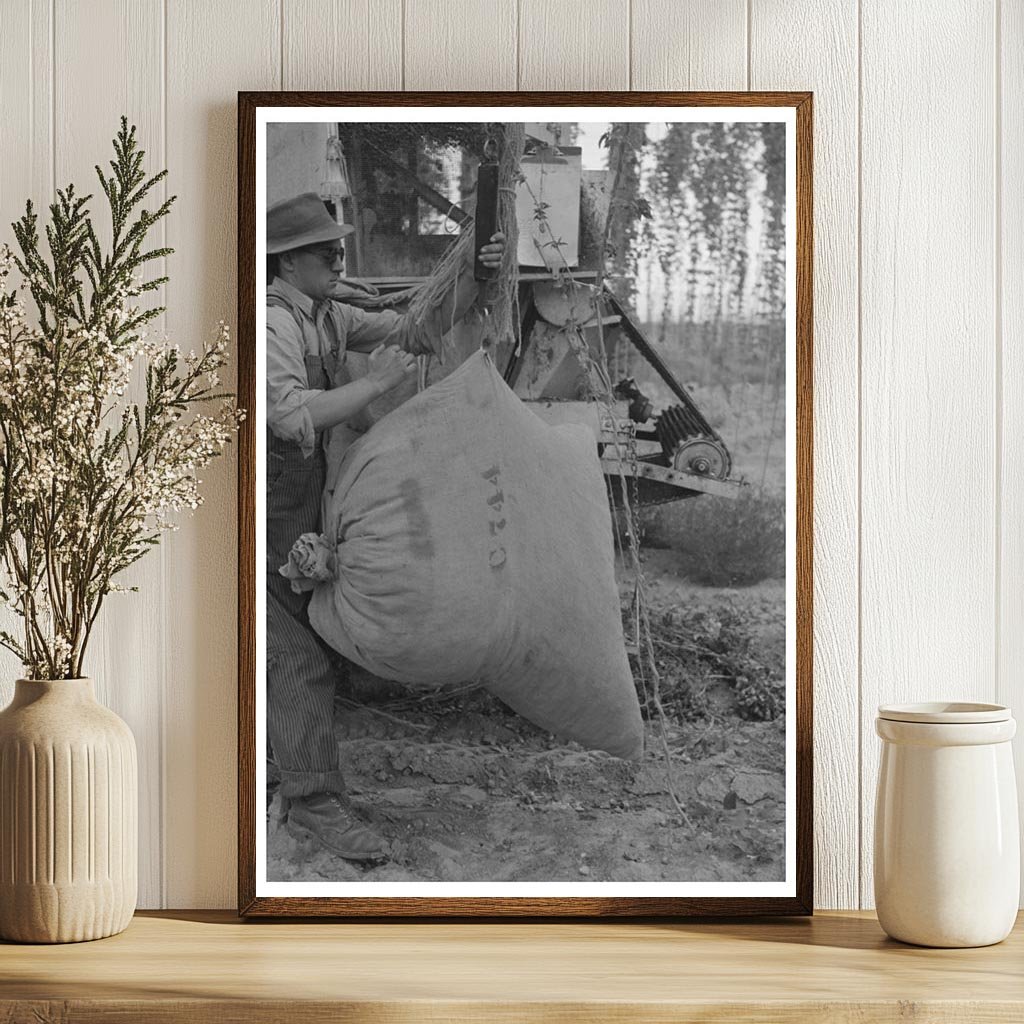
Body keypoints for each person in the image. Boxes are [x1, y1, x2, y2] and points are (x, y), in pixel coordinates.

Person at [265, 191, 504, 863]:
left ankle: (289, 779)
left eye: (340, 247)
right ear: (285, 262)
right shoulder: (272, 324)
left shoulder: (325, 315)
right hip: (262, 508)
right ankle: (310, 804)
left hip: (298, 502)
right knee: (297, 654)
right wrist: (374, 387)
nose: (339, 257)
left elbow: (412, 329)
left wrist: (475, 276)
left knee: (295, 648)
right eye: (325, 251)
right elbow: (287, 417)